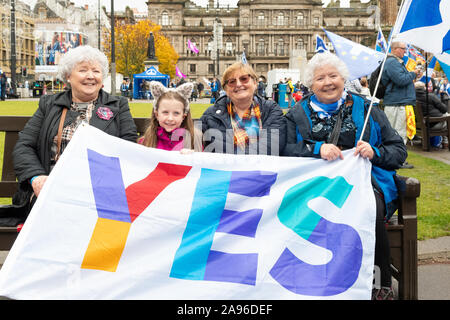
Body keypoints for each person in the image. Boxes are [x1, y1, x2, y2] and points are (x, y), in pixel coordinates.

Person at [283, 52, 407, 300]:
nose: (328, 82)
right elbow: (284, 149)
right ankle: (304, 283)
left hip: (364, 184)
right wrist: (318, 149)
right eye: (320, 78)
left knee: (369, 207)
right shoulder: (296, 114)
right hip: (313, 187)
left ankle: (378, 284)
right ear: (311, 84)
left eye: (333, 76)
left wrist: (375, 152)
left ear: (343, 78)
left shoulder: (369, 108)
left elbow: (398, 149)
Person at [13, 45, 138, 203]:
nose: (90, 76)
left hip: (99, 191)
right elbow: (24, 145)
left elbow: (129, 148)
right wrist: (36, 177)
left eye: (96, 71)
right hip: (52, 189)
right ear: (68, 76)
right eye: (83, 70)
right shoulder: (49, 104)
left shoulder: (118, 105)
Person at [201, 62, 286, 155]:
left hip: (261, 169)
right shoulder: (211, 114)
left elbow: (272, 146)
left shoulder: (271, 110)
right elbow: (193, 140)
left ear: (255, 83)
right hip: (224, 169)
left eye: (244, 79)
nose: (238, 84)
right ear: (226, 90)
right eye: (232, 81)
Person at [381, 40, 420, 169]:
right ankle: (397, 160)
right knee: (397, 133)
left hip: (397, 102)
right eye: (403, 48)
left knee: (396, 132)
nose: (405, 51)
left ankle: (395, 159)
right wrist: (413, 73)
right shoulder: (392, 62)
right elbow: (401, 80)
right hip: (396, 103)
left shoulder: (394, 62)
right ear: (395, 49)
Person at [139, 81, 202, 152]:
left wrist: (192, 158)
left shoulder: (193, 140)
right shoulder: (147, 141)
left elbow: (202, 161)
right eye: (165, 112)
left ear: (183, 117)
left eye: (176, 113)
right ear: (157, 115)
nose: (170, 118)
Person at [415, 81, 449, 148]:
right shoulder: (430, 96)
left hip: (419, 125)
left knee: (446, 117)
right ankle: (445, 142)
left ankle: (444, 142)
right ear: (424, 88)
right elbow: (444, 109)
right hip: (433, 124)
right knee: (447, 118)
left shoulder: (412, 98)